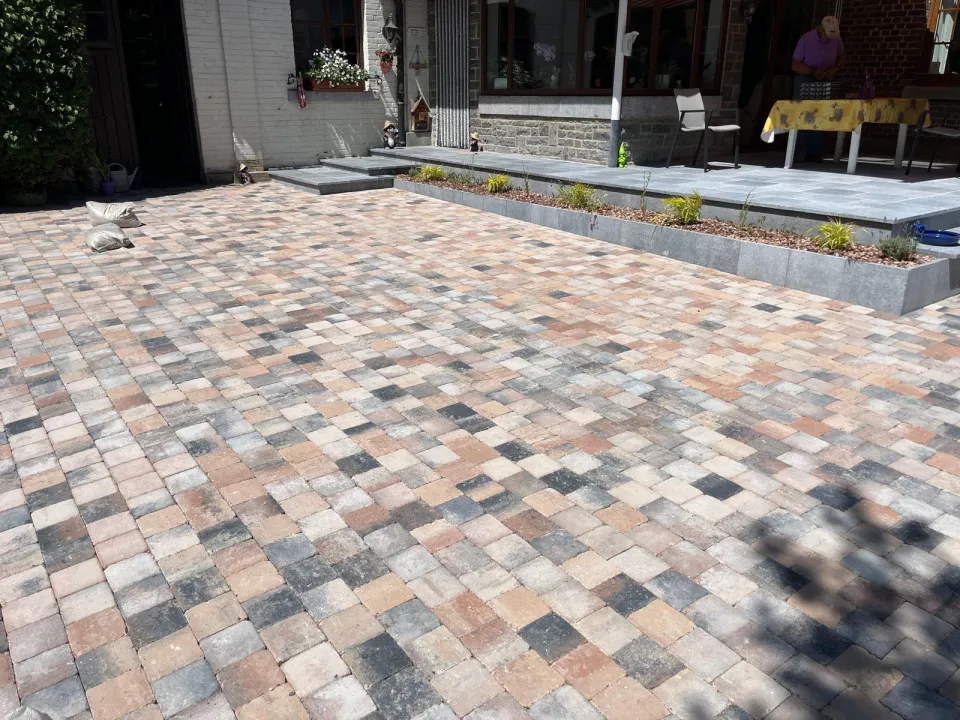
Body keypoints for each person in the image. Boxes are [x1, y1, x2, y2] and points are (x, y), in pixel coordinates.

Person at [791, 16, 845, 162]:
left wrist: (835, 70)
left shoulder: (837, 39)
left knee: (821, 114)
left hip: (825, 79)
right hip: (806, 78)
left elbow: (841, 57)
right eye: (828, 34)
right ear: (820, 29)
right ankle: (796, 153)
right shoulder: (806, 39)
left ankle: (814, 152)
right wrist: (813, 71)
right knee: (802, 113)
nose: (830, 38)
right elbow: (795, 64)